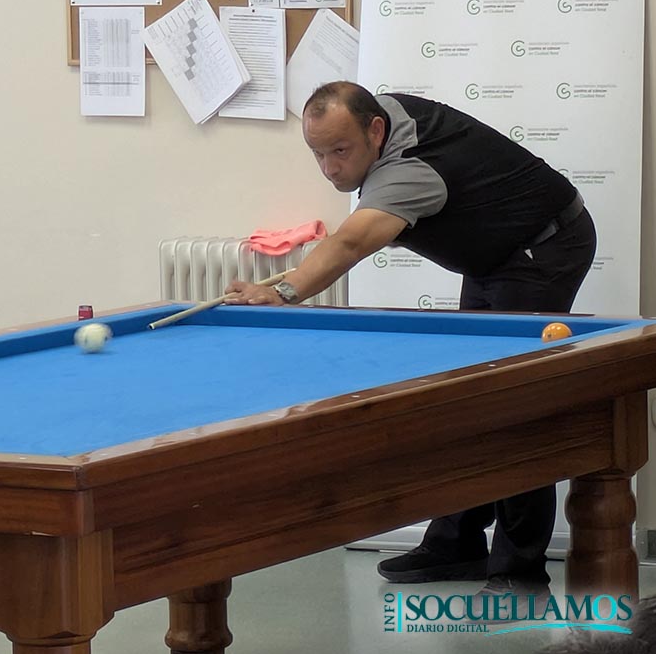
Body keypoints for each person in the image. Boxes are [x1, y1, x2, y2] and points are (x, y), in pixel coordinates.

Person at [223, 81, 597, 601]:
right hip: (496, 255)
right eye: (318, 153)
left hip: (543, 248)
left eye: (340, 151)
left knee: (514, 404)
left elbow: (351, 242)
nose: (329, 168)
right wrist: (279, 287)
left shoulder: (411, 170)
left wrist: (283, 292)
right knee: (468, 393)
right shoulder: (383, 113)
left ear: (375, 131)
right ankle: (457, 542)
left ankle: (521, 572)